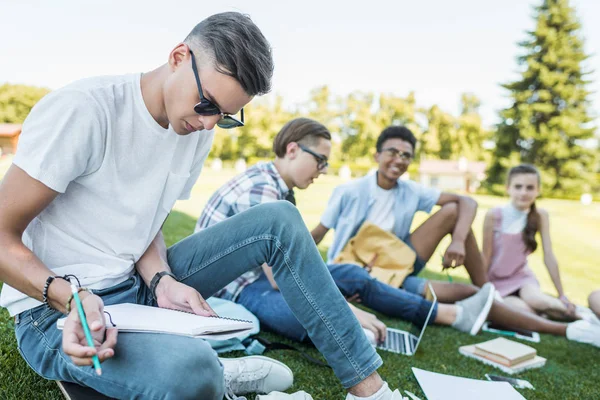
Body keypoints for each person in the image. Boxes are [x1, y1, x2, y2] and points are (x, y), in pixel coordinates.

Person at [0, 13, 405, 400]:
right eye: (207, 104)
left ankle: (369, 391)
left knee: (279, 220)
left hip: (136, 293)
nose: (210, 124)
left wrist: (161, 280)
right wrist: (72, 297)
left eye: (226, 117)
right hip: (54, 313)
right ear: (179, 57)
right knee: (193, 372)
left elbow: (143, 222)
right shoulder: (86, 110)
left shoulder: (194, 130)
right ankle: (219, 374)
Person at [196, 119, 600, 348]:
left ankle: (532, 312)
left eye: (407, 155)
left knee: (354, 281)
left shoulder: (280, 188)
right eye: (319, 161)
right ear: (292, 150)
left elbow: (294, 262)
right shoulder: (272, 191)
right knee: (315, 312)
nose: (321, 171)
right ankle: (536, 317)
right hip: (239, 287)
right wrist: (351, 313)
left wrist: (459, 239)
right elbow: (283, 277)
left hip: (390, 266)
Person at [482, 164, 578, 321]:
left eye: (530, 188)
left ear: (538, 190)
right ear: (508, 188)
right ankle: (545, 315)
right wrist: (483, 289)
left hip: (523, 278)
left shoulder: (540, 215)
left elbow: (549, 255)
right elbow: (485, 256)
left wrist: (561, 294)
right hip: (497, 282)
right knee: (525, 313)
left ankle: (581, 318)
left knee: (539, 301)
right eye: (518, 187)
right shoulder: (494, 215)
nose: (523, 192)